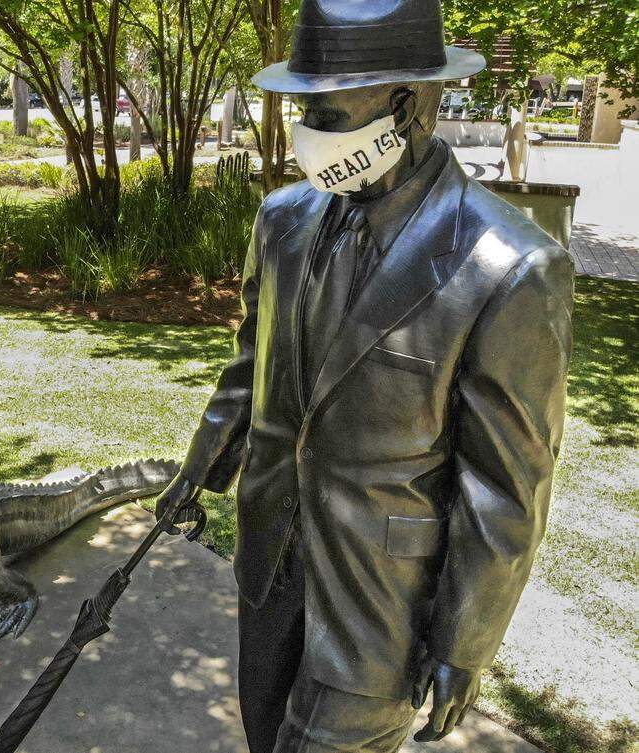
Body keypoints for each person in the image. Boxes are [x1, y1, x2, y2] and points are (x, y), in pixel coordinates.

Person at [154, 1, 574, 751]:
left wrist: (465, 640)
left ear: (406, 105)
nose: (305, 130)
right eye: (301, 106)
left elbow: (505, 489)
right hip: (271, 567)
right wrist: (202, 466)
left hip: (383, 605)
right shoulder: (282, 221)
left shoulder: (509, 268)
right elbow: (254, 366)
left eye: (325, 111)